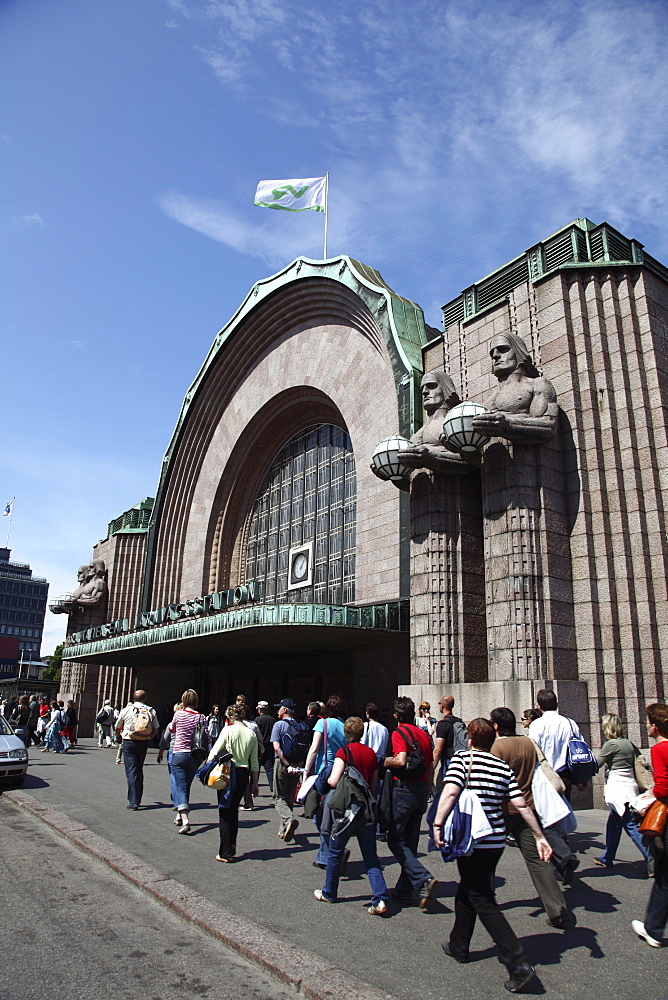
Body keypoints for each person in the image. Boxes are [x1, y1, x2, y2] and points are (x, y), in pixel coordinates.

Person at [434, 718, 552, 993]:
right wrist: (539, 835)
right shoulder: (501, 766)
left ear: (471, 740)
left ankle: (518, 961)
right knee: (470, 887)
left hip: (471, 839)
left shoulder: (464, 759)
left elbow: (450, 792)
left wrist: (438, 824)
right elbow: (520, 803)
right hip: (495, 840)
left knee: (481, 898)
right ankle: (458, 944)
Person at [490, 707, 568, 928]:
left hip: (502, 809)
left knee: (488, 858)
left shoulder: (496, 747)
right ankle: (557, 908)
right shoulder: (528, 743)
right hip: (527, 808)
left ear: (496, 726)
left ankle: (486, 899)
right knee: (537, 860)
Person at [314, 716, 389, 914]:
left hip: (347, 809)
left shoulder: (344, 752)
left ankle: (329, 892)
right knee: (370, 855)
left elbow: (333, 780)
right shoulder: (371, 754)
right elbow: (373, 786)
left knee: (336, 850)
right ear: (362, 733)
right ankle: (380, 897)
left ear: (346, 733)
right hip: (366, 808)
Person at [382, 696, 437, 909]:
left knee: (395, 840)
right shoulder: (423, 734)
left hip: (403, 789)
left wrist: (385, 760)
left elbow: (401, 760)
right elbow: (431, 765)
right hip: (421, 789)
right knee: (411, 841)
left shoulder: (398, 733)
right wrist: (427, 788)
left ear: (396, 716)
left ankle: (423, 877)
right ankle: (405, 890)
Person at [528, 688, 582, 883]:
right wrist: (581, 777)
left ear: (539, 706)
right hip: (565, 774)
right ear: (556, 704)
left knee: (547, 819)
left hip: (545, 775)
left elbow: (533, 750)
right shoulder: (570, 723)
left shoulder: (537, 725)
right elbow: (579, 750)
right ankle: (561, 864)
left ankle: (563, 857)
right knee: (561, 814)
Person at [631, 702, 668, 948]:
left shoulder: (659, 749)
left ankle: (653, 929)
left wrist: (648, 796)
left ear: (655, 727)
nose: (645, 726)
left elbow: (664, 786)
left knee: (664, 876)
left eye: (647, 722)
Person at [595, 713, 649, 870]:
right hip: (630, 786)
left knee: (630, 824)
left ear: (607, 727)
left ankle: (652, 859)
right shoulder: (628, 743)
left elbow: (597, 764)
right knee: (614, 823)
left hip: (619, 788)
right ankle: (607, 857)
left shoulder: (611, 744)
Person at [208, 704, 260, 862]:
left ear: (230, 716)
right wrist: (255, 784)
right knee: (234, 810)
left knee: (224, 812)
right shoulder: (251, 734)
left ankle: (225, 852)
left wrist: (208, 768)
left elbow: (214, 752)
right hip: (243, 773)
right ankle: (232, 846)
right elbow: (255, 762)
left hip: (228, 772)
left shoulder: (228, 730)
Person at [303, 695, 348, 870]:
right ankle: (325, 855)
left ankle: (332, 851)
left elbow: (314, 748)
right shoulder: (344, 726)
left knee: (317, 813)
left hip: (323, 771)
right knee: (330, 813)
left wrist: (306, 772)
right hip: (339, 771)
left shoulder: (323, 723)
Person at [166, 689, 210, 834]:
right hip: (195, 755)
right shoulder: (201, 717)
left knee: (181, 786)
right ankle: (179, 815)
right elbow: (207, 737)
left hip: (179, 753)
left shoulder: (178, 714)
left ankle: (185, 819)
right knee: (186, 785)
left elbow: (172, 728)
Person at [115, 690, 159, 810]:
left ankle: (133, 801)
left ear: (133, 698)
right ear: (145, 698)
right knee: (139, 769)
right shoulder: (151, 710)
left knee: (131, 770)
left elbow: (117, 726)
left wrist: (118, 737)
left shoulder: (126, 710)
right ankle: (137, 798)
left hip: (129, 741)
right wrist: (149, 738)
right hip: (143, 742)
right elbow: (156, 728)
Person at [271, 698, 303, 842]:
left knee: (278, 797)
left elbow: (277, 747)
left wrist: (286, 763)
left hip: (283, 763)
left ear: (284, 710)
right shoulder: (300, 725)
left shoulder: (279, 725)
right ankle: (283, 830)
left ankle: (289, 820)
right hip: (297, 763)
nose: (277, 711)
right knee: (289, 796)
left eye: (279, 708)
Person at [432, 695, 464, 790]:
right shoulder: (459, 721)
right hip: (460, 761)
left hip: (448, 762)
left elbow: (438, 750)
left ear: (442, 705)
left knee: (447, 791)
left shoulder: (443, 724)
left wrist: (431, 768)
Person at [254, 701, 276, 791]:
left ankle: (254, 785)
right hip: (270, 745)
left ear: (259, 710)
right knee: (269, 767)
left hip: (259, 745)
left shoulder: (257, 720)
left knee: (256, 766)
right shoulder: (273, 720)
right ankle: (273, 787)